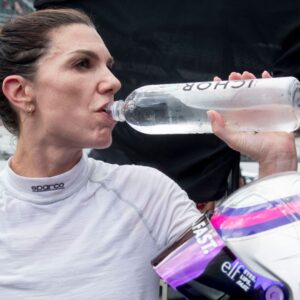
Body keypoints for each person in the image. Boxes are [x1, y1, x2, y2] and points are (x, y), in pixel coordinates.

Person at [0, 9, 297, 300]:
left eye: (109, 65)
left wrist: (276, 161)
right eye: (82, 64)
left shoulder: (146, 194)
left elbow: (257, 290)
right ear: (20, 92)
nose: (113, 82)